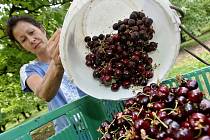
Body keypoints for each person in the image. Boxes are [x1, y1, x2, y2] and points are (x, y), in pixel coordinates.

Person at [6, 15, 86, 133]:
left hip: (99, 114)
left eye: (32, 32)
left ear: (42, 29)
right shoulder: (28, 69)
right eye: (23, 40)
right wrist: (57, 63)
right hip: (70, 132)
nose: (31, 40)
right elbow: (43, 93)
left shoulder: (72, 51)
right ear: (22, 47)